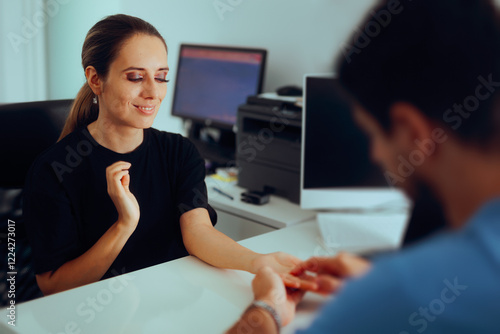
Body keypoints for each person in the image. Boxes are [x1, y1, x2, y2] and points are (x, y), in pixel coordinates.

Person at [228, 0, 500, 332]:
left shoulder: (403, 291)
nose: (375, 155)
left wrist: (266, 308)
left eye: (372, 134)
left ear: (413, 133)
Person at [22, 14, 300, 296]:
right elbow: (55, 286)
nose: (153, 92)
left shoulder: (179, 152)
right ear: (96, 79)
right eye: (135, 77)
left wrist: (257, 261)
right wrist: (124, 225)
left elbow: (198, 232)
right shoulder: (54, 169)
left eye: (161, 77)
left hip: (171, 303)